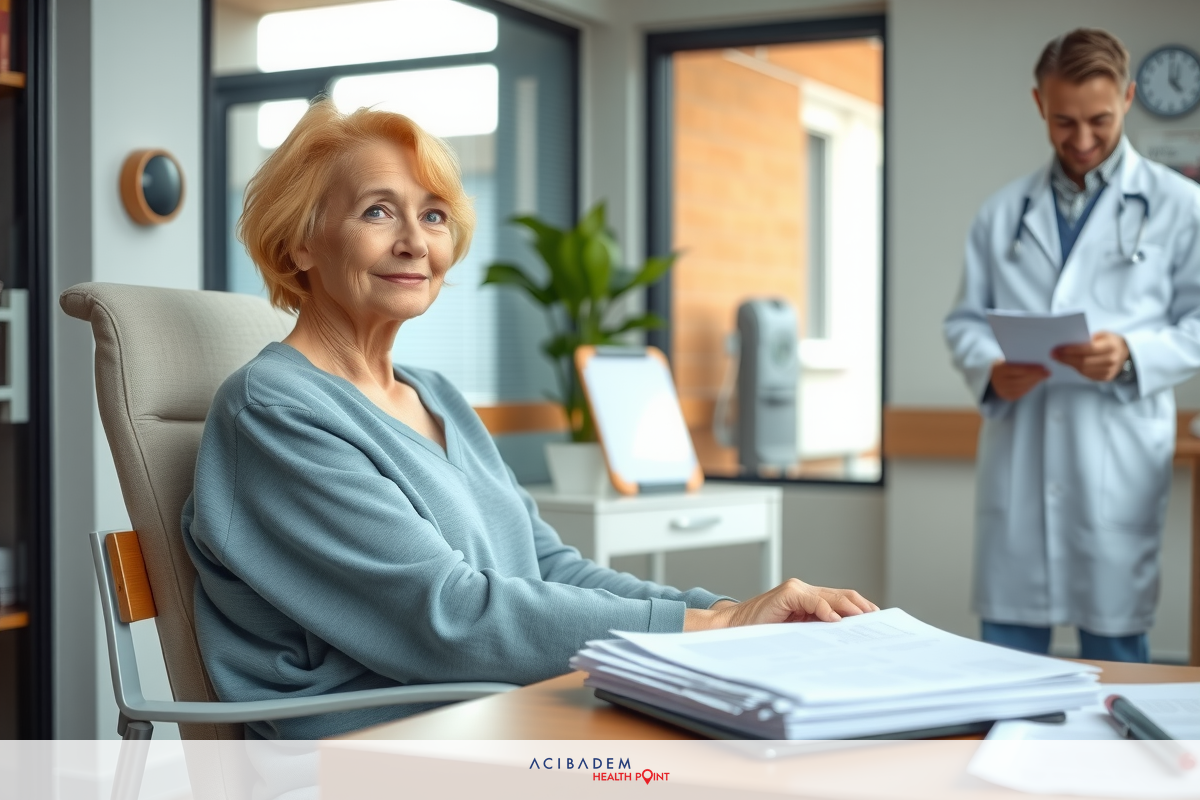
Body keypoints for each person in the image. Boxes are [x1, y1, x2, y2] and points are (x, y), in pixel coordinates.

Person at [182, 98, 878, 739]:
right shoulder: (274, 413)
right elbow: (445, 617)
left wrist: (728, 611)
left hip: (492, 709)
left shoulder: (436, 397)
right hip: (374, 742)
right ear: (300, 242)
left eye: (432, 215)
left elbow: (548, 567)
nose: (415, 243)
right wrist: (706, 627)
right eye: (376, 212)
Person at [944, 29, 1200, 663]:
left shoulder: (1180, 205)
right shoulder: (1002, 212)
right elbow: (964, 323)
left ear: (1130, 98)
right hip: (1021, 454)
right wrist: (990, 367)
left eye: (1099, 120)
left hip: (1116, 454)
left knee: (1115, 656)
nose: (1082, 140)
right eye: (1064, 121)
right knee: (1005, 663)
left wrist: (1134, 354)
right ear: (1039, 104)